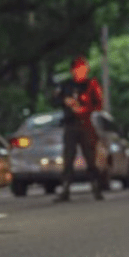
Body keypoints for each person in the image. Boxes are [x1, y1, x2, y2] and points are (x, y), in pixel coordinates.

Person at [53, 56, 105, 202]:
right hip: (70, 124)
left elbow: (98, 103)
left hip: (85, 124)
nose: (82, 71)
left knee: (90, 157)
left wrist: (84, 108)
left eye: (84, 68)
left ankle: (96, 187)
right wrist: (65, 100)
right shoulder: (66, 86)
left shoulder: (91, 85)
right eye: (79, 68)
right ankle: (65, 188)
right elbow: (55, 100)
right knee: (68, 157)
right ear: (73, 70)